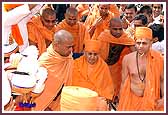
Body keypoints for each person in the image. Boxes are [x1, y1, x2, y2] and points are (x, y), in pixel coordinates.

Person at [118, 27, 164, 111]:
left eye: (144, 43)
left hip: (151, 101)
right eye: (138, 43)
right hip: (131, 101)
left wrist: (164, 97)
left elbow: (162, 80)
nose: (140, 46)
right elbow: (123, 82)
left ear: (151, 43)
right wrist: (121, 101)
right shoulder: (127, 59)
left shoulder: (159, 59)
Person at [96, 18, 135, 104]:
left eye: (120, 29)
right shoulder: (103, 37)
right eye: (115, 29)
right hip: (103, 68)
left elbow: (136, 53)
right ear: (109, 28)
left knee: (115, 94)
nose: (118, 31)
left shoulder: (126, 37)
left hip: (118, 71)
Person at [33, 30, 74, 111]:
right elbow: (36, 93)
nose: (71, 50)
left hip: (60, 103)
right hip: (42, 107)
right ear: (56, 45)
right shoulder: (44, 62)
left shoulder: (68, 58)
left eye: (72, 46)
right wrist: (46, 108)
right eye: (68, 47)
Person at [71, 40, 115, 110]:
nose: (92, 57)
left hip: (96, 98)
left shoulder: (103, 66)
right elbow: (72, 83)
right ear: (85, 53)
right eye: (90, 54)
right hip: (79, 96)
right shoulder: (76, 63)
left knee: (102, 105)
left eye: (95, 54)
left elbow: (107, 86)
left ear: (99, 54)